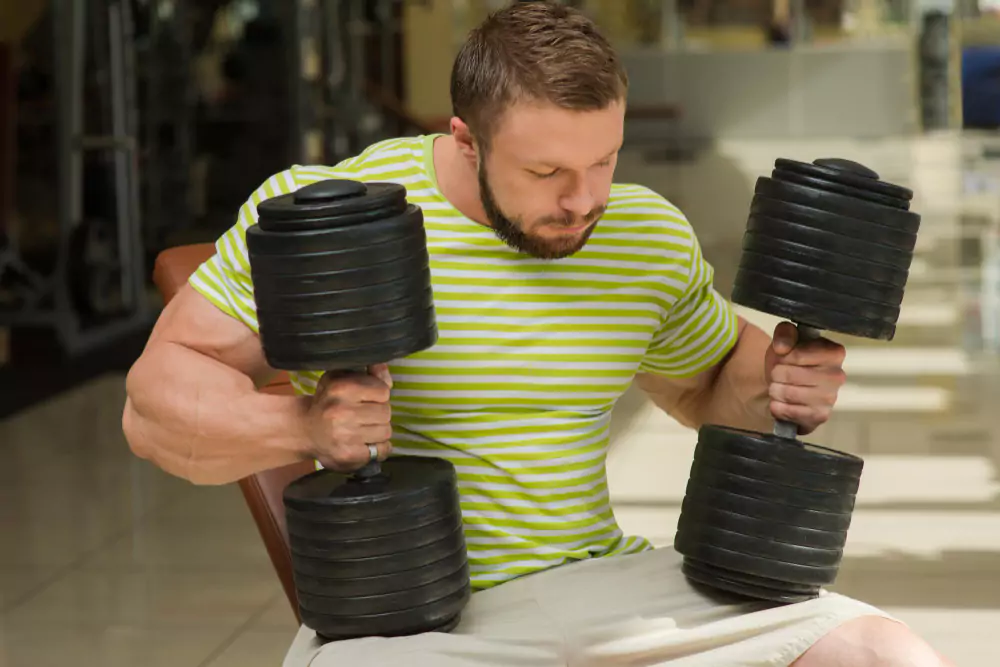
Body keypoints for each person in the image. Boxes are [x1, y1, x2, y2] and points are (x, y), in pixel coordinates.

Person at [122, 3, 953, 666]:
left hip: (615, 583)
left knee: (886, 653)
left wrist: (777, 381)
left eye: (605, 161)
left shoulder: (641, 234)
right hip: (417, 619)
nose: (583, 200)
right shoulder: (334, 216)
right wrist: (301, 427)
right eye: (545, 172)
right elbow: (154, 404)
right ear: (464, 139)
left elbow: (707, 391)